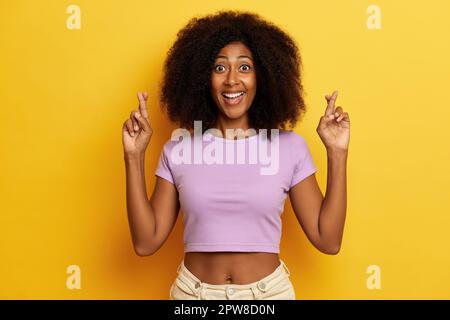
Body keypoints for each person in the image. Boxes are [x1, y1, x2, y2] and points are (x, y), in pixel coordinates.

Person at [122, 10, 350, 300]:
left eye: (244, 67)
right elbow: (145, 242)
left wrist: (337, 152)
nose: (231, 80)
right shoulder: (178, 149)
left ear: (263, 76)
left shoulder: (289, 147)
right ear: (203, 78)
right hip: (193, 297)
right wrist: (134, 156)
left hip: (269, 297)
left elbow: (328, 239)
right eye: (219, 68)